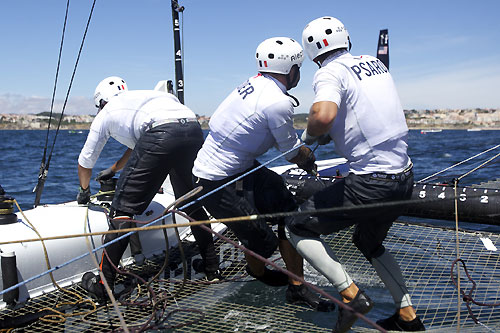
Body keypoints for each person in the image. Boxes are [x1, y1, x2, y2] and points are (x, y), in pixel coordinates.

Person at [285, 17, 425, 332]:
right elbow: (361, 110)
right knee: (367, 241)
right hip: (404, 177)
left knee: (295, 225)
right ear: (346, 39)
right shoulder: (374, 63)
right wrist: (331, 131)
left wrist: (309, 137)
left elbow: (323, 115)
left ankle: (351, 296)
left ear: (311, 51)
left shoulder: (328, 72)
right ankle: (408, 318)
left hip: (371, 182)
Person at [192, 37, 333, 312]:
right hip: (215, 181)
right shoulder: (277, 101)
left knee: (289, 214)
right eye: (298, 68)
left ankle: (297, 288)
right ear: (292, 70)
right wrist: (311, 156)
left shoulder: (252, 84)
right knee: (262, 241)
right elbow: (293, 153)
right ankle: (258, 272)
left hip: (243, 168)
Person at [77, 76, 220, 301]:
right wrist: (113, 170)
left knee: (122, 211)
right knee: (190, 203)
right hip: (191, 128)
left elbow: (85, 163)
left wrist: (84, 190)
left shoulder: (106, 113)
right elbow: (141, 145)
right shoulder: (145, 98)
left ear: (101, 102)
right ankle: (212, 269)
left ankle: (103, 286)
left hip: (161, 133)